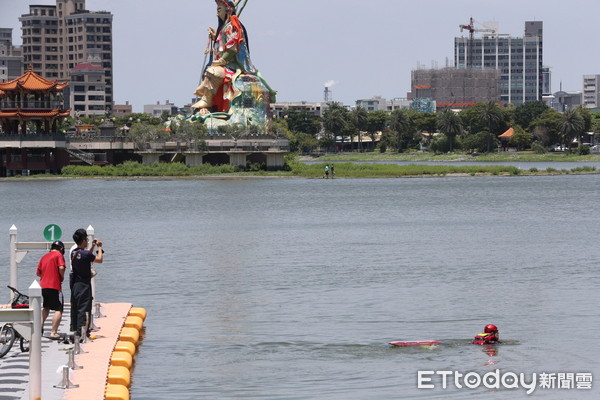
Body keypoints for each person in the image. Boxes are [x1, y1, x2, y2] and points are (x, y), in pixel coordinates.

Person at [192, 0, 274, 115]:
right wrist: (215, 36)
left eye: (219, 9)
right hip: (225, 63)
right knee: (209, 70)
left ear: (228, 10)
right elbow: (223, 44)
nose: (217, 12)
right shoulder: (225, 27)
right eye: (217, 10)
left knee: (213, 72)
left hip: (232, 65)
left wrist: (221, 61)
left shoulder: (232, 27)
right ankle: (208, 103)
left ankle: (208, 101)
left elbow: (232, 47)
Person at [70, 228, 103, 339]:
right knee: (84, 308)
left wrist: (92, 246)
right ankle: (82, 333)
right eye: (87, 240)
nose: (87, 242)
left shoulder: (75, 252)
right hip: (84, 285)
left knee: (77, 307)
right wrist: (99, 246)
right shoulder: (84, 254)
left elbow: (86, 255)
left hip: (75, 285)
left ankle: (77, 330)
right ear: (83, 240)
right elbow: (99, 259)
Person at [36, 240, 66, 339]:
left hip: (44, 286)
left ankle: (39, 327)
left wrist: (46, 276)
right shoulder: (58, 255)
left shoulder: (44, 257)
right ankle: (53, 332)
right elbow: (61, 267)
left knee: (46, 307)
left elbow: (38, 273)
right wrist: (61, 277)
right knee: (59, 309)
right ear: (61, 248)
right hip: (55, 286)